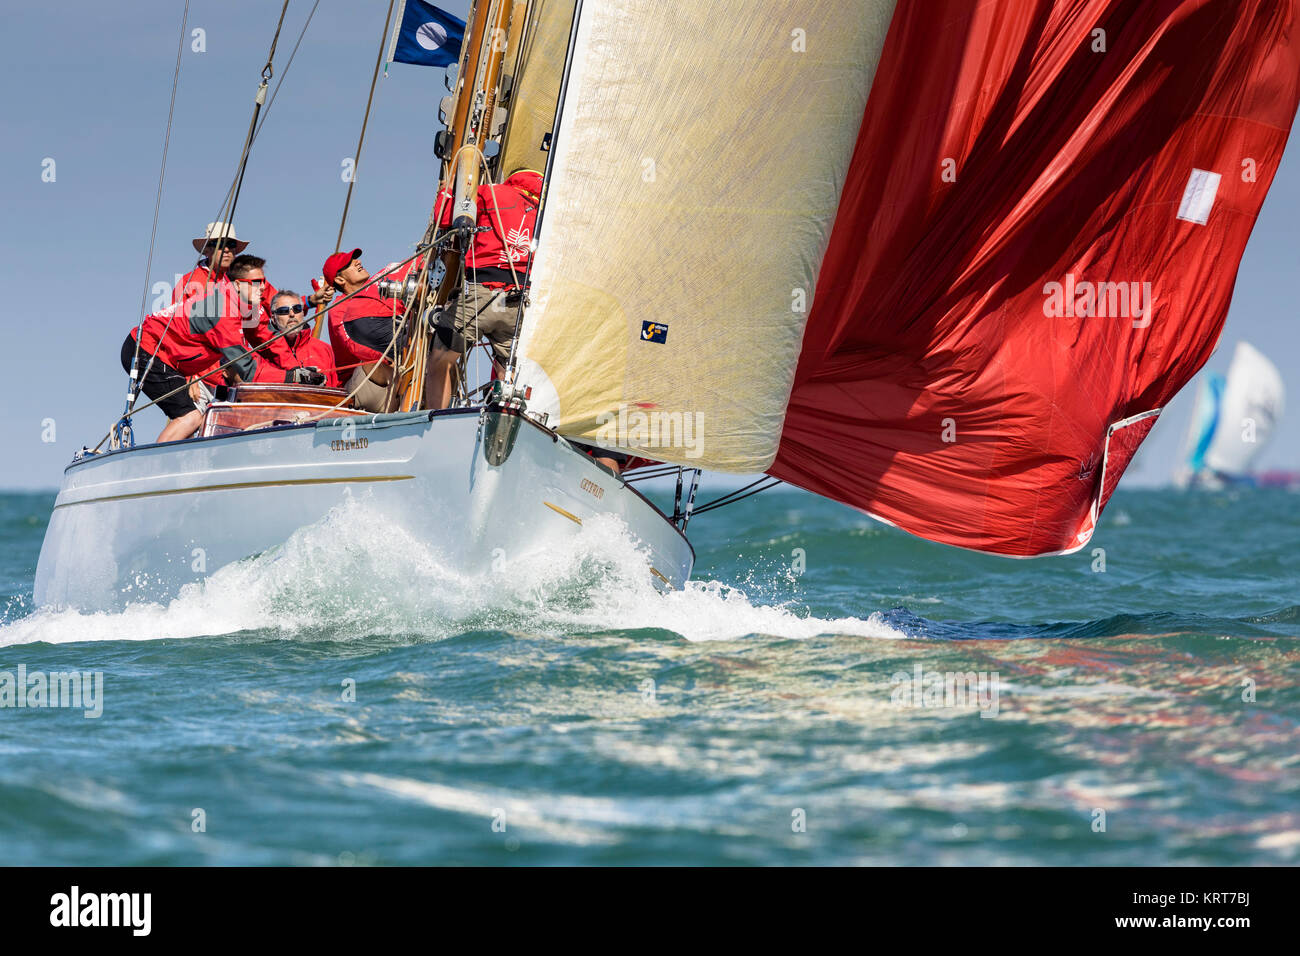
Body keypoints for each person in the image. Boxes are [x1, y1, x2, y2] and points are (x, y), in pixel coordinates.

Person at [123, 256, 319, 442]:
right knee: (190, 418)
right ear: (237, 285)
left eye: (264, 282)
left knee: (191, 419)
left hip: (163, 354)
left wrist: (295, 370)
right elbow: (249, 369)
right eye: (256, 283)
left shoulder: (240, 303)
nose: (263, 289)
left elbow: (267, 338)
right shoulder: (221, 311)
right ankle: (156, 468)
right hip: (146, 350)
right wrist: (292, 378)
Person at [428, 169, 543, 409]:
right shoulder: (547, 211)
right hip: (520, 303)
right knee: (508, 370)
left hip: (483, 296)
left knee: (441, 355)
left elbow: (446, 216)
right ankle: (504, 421)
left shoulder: (493, 192)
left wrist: (448, 190)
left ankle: (435, 418)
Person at [322, 248, 407, 412]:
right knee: (378, 363)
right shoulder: (339, 308)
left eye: (356, 259)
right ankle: (404, 415)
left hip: (395, 370)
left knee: (439, 352)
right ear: (340, 279)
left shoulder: (383, 296)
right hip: (359, 386)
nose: (358, 262)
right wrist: (390, 357)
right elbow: (353, 344)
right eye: (349, 263)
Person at [268, 291, 338, 387]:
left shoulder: (325, 349)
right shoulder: (264, 354)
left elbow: (337, 389)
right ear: (273, 319)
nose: (292, 314)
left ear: (303, 313)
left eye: (297, 309)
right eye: (284, 311)